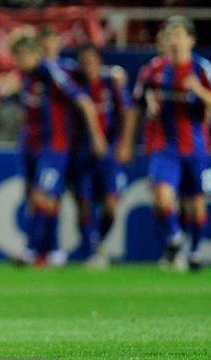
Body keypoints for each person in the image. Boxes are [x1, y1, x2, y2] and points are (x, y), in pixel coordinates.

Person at [121, 16, 211, 271]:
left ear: (191, 40)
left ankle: (195, 251)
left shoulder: (202, 69)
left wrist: (199, 91)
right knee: (161, 196)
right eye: (170, 35)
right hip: (164, 145)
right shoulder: (153, 70)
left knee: (196, 203)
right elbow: (135, 106)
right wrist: (127, 142)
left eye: (180, 35)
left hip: (197, 146)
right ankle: (176, 238)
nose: (174, 40)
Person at [9, 33, 107, 266]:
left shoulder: (52, 71)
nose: (19, 61)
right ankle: (52, 250)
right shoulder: (25, 76)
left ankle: (32, 250)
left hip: (54, 147)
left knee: (44, 196)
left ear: (34, 54)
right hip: (30, 146)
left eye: (22, 56)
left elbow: (83, 99)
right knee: (38, 198)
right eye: (16, 56)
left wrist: (96, 136)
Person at [68, 44, 133, 267]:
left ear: (99, 61)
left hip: (109, 153)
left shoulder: (111, 82)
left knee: (111, 205)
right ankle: (91, 250)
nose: (88, 66)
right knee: (83, 203)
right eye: (83, 61)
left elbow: (126, 113)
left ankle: (100, 241)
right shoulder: (74, 81)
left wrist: (124, 144)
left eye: (92, 60)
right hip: (81, 153)